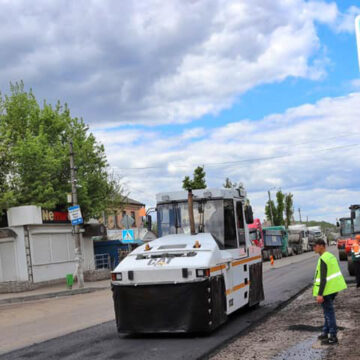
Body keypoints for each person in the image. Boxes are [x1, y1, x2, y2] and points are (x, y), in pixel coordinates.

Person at [313, 239, 347, 345]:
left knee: (329, 313)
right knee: (327, 311)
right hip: (333, 289)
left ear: (322, 246)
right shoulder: (330, 256)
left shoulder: (323, 259)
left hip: (326, 290)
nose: (314, 248)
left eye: (315, 246)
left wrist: (320, 294)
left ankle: (332, 336)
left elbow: (323, 279)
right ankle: (325, 331)